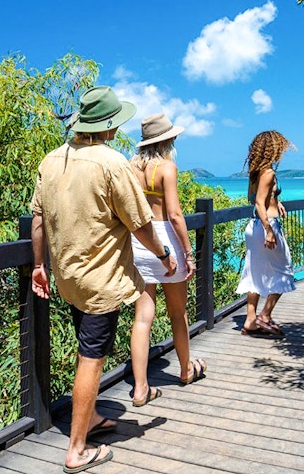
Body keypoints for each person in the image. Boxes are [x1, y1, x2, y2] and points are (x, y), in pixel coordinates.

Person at [30, 86, 177, 474]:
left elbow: (39, 219)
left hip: (67, 278)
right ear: (110, 125)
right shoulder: (112, 164)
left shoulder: (51, 160)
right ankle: (77, 450)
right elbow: (141, 223)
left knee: (86, 343)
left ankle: (90, 418)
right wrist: (163, 255)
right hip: (101, 280)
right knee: (91, 358)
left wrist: (37, 265)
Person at [128, 113, 207, 406]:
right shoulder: (167, 168)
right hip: (165, 243)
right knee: (178, 312)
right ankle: (186, 370)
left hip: (139, 240)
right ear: (167, 141)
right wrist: (187, 253)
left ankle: (139, 388)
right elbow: (174, 214)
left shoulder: (130, 168)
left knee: (142, 317)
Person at [237, 130, 296, 337]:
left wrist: (276, 201)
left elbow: (253, 197)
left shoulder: (254, 173)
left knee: (255, 272)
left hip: (253, 227)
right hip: (265, 226)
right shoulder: (268, 173)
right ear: (273, 150)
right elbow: (259, 203)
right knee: (284, 270)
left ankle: (250, 320)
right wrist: (269, 230)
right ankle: (265, 315)